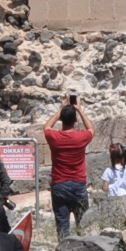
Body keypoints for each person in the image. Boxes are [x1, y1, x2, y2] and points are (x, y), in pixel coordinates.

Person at [44, 96, 94, 239]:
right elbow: (91, 128)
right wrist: (80, 109)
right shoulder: (81, 137)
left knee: (62, 224)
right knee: (83, 223)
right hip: (78, 183)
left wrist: (61, 110)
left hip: (59, 184)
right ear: (76, 120)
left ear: (61, 120)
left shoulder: (55, 137)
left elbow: (46, 126)